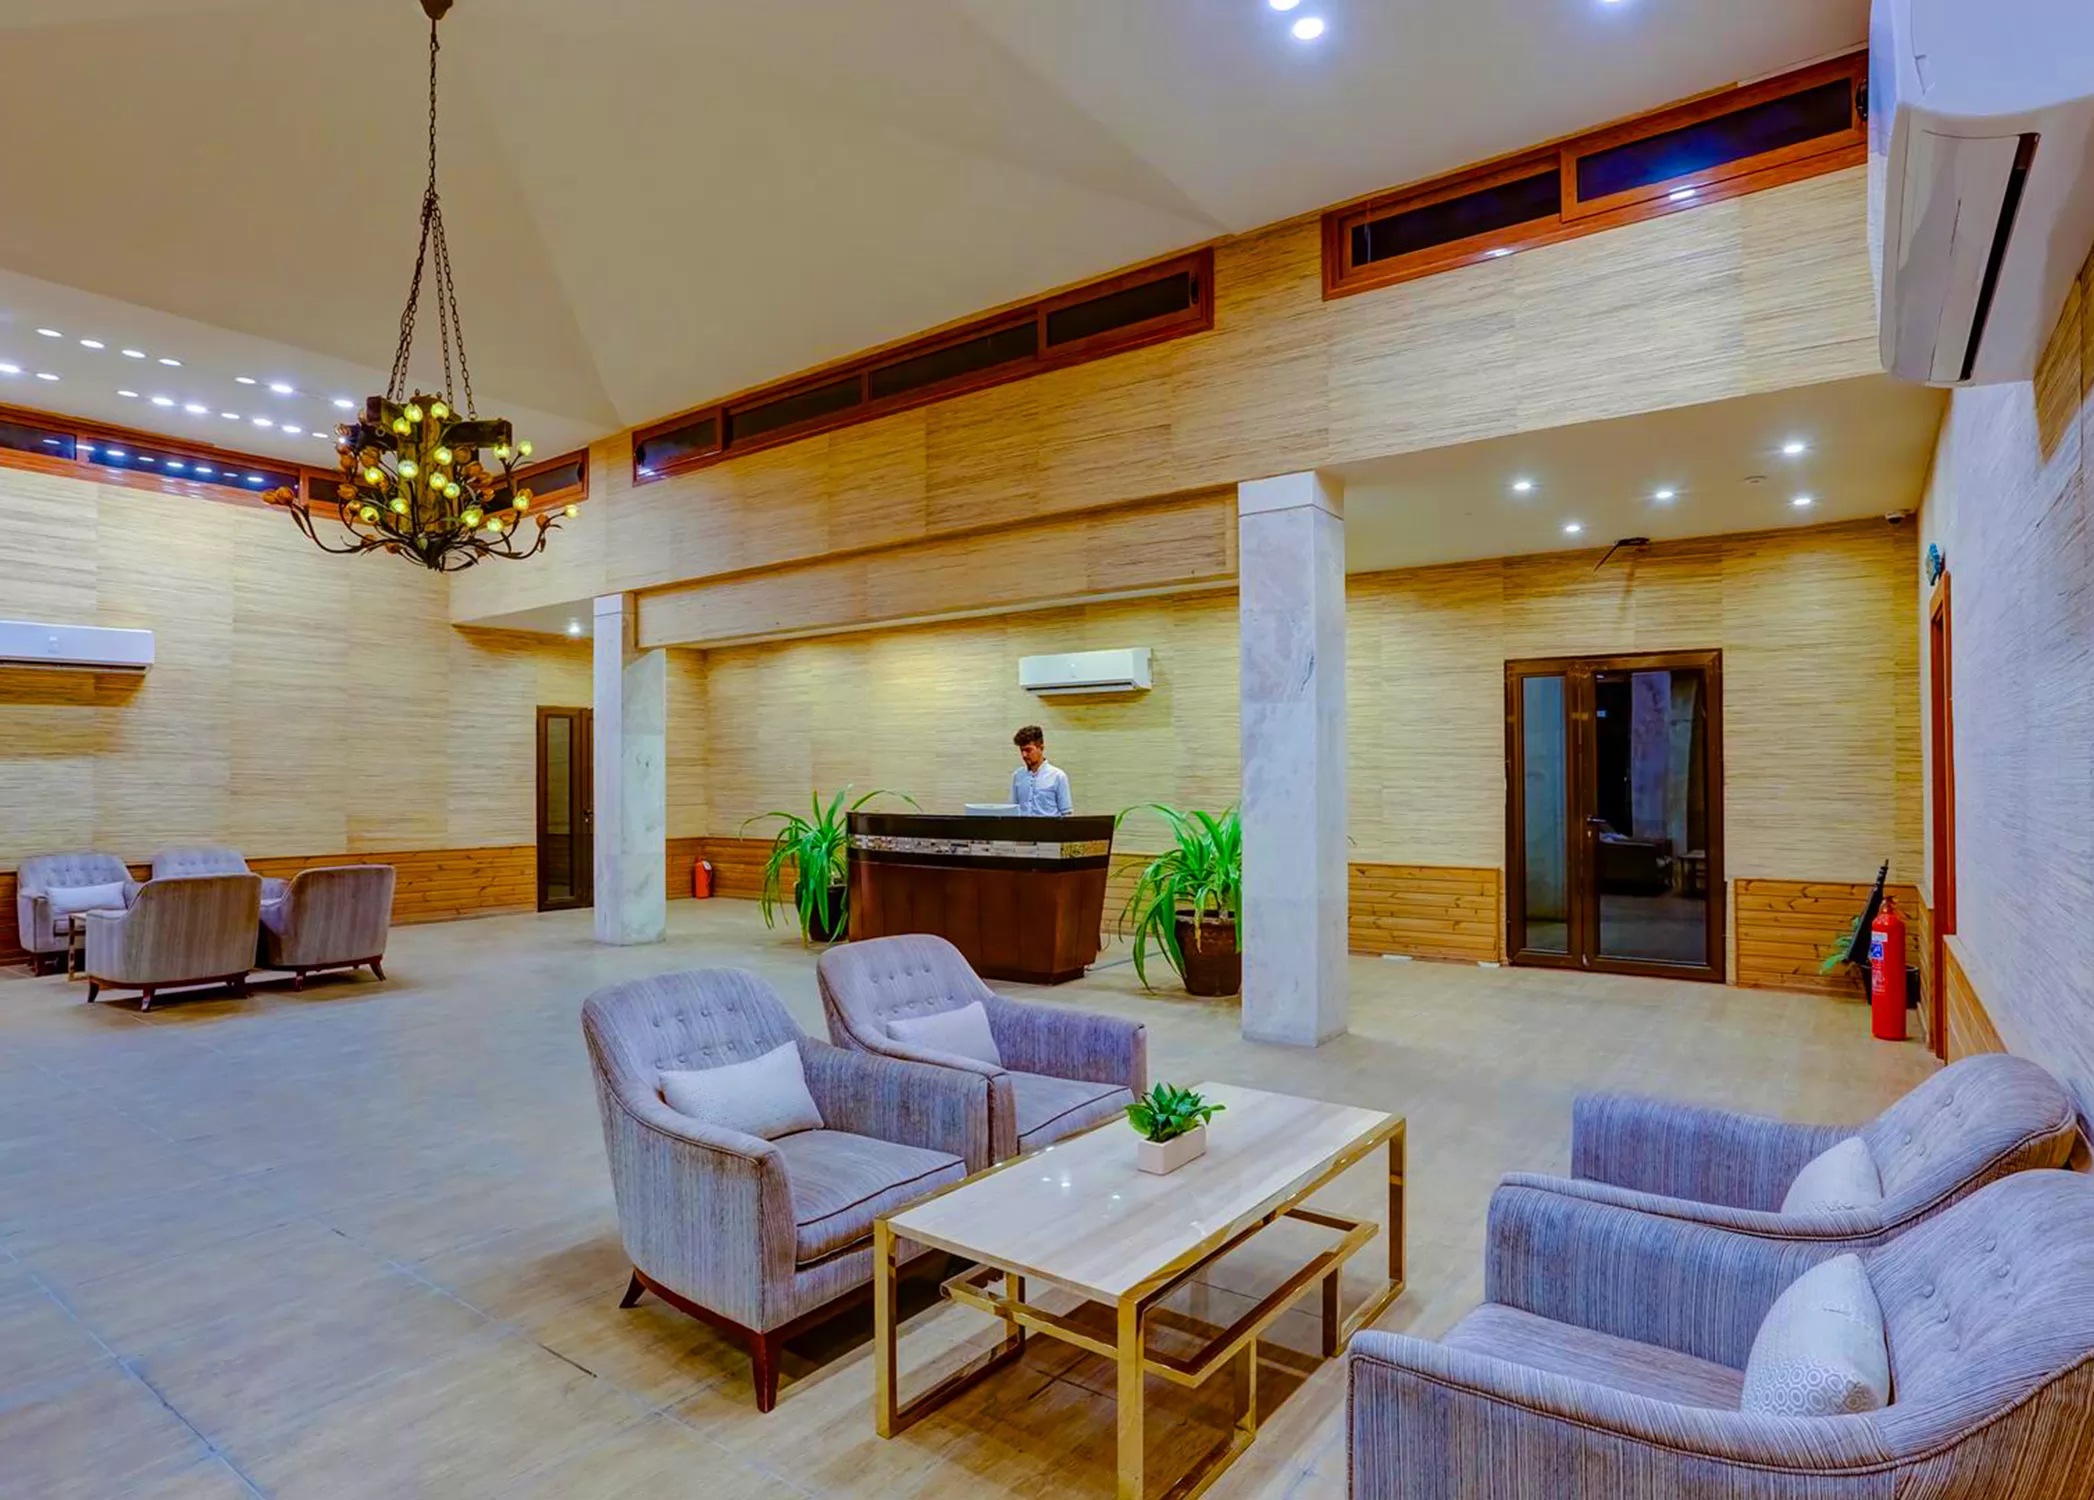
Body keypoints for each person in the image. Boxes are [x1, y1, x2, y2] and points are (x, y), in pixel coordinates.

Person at [1009, 725, 1072, 817]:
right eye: (1022, 750)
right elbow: (1012, 810)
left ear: (1041, 747)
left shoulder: (1058, 776)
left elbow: (1066, 813)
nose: (1024, 755)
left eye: (1028, 750)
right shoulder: (1018, 775)